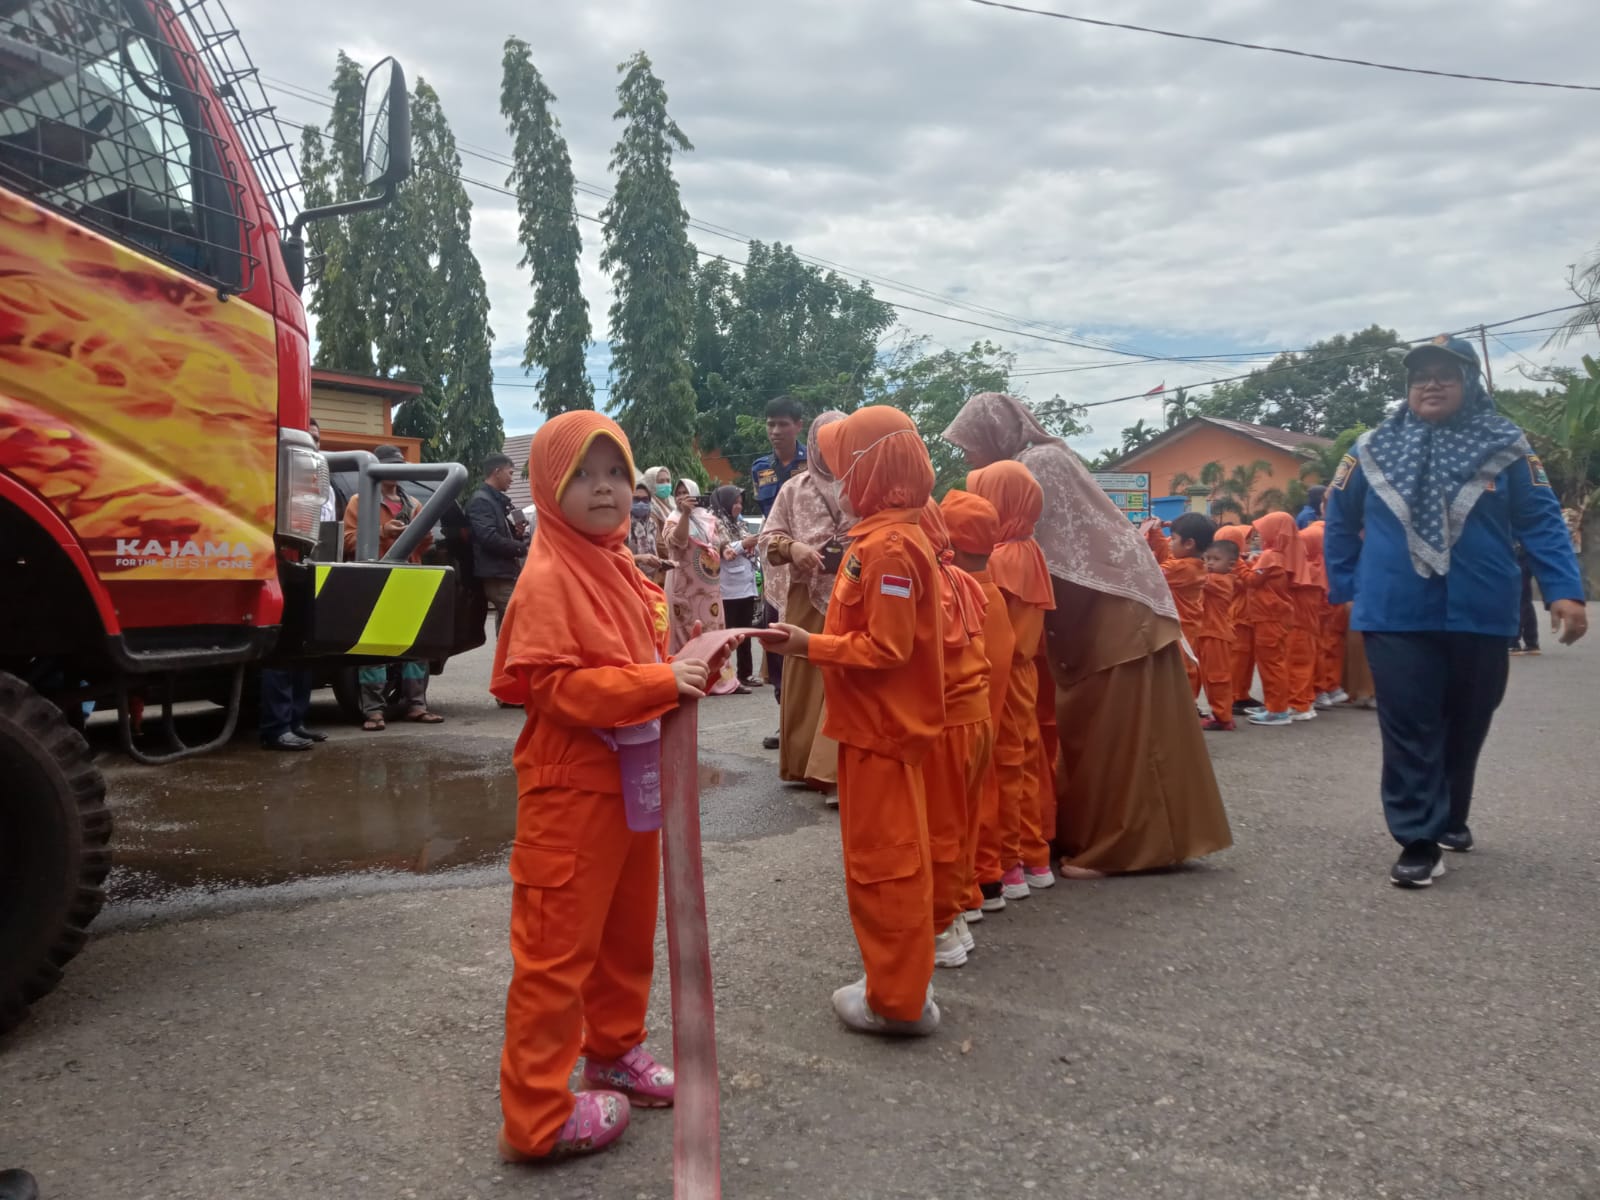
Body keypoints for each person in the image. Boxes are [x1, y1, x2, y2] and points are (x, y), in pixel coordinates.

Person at [491, 410, 715, 1163]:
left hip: (631, 785)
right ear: (549, 488)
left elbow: (644, 659)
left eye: (616, 473)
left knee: (625, 936)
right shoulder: (551, 574)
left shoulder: (620, 566)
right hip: (573, 794)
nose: (604, 489)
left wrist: (678, 674)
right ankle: (537, 1117)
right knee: (556, 954)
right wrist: (658, 681)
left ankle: (614, 1051)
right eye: (582, 474)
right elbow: (555, 688)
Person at [1325, 335, 1586, 888]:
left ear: (1471, 383)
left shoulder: (1507, 447)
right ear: (1408, 387)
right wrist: (1350, 587)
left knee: (1468, 721)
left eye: (1447, 373)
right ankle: (1418, 838)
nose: (1432, 383)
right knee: (1410, 724)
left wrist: (1564, 588)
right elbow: (1339, 520)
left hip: (1481, 608)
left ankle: (1450, 814)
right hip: (1396, 610)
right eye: (1421, 376)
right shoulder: (1370, 449)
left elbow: (1540, 520)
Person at [943, 392, 1230, 879]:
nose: (967, 455)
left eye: (969, 444)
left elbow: (1020, 542)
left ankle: (1122, 848)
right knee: (1103, 730)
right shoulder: (1024, 463)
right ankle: (1120, 836)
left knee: (1120, 736)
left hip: (1116, 607)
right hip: (1102, 605)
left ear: (994, 433)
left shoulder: (1038, 463)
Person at [763, 406, 944, 1036]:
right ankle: (901, 985)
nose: (839, 477)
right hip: (873, 727)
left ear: (872, 469)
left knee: (885, 865)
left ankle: (895, 1000)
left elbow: (886, 651)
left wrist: (807, 647)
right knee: (889, 859)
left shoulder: (890, 547)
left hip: (881, 731)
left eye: (847, 463)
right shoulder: (883, 535)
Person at [967, 460, 1057, 897]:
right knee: (1024, 759)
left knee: (1003, 765)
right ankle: (1035, 855)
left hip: (1003, 672)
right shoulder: (1028, 548)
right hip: (1025, 673)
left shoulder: (1001, 558)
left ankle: (1010, 863)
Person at [758, 411, 855, 792]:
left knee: (844, 675)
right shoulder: (794, 488)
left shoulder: (862, 485)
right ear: (813, 444)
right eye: (825, 441)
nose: (832, 449)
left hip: (854, 593)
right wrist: (792, 546)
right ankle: (802, 763)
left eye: (840, 441)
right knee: (803, 676)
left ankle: (834, 771)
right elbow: (768, 539)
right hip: (806, 593)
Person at [918, 498, 994, 969]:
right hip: (975, 717)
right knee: (962, 824)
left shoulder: (927, 583)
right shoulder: (958, 577)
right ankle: (960, 908)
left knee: (941, 829)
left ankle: (942, 926)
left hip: (946, 723)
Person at [940, 489, 1013, 924]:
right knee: (983, 785)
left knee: (963, 801)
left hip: (964, 720)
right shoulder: (994, 594)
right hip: (989, 718)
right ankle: (985, 878)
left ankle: (970, 888)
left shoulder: (963, 595)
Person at [343, 445, 440, 730]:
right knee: (374, 648)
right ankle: (373, 711)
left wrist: (423, 538)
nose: (396, 471)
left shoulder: (414, 503)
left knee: (415, 647)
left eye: (399, 465)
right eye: (391, 466)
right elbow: (348, 541)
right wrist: (383, 532)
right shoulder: (359, 502)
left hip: (409, 581)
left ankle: (417, 706)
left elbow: (425, 545)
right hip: (374, 583)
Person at [259, 419, 334, 751]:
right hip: (280, 570)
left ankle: (297, 722)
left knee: (304, 651)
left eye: (316, 439)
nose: (313, 446)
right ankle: (276, 728)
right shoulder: (277, 479)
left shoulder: (323, 484)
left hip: (311, 570)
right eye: (308, 439)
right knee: (281, 652)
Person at [751, 396, 808, 745]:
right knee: (774, 637)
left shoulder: (814, 462)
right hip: (774, 565)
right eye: (770, 424)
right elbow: (768, 520)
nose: (775, 431)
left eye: (783, 424)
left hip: (807, 564)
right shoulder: (761, 468)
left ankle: (808, 721)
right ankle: (784, 718)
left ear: (799, 425)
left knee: (804, 637)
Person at [1140, 512, 1214, 704]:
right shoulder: (1190, 563)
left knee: (1179, 673)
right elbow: (1168, 556)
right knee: (1181, 670)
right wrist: (1156, 532)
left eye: (1173, 539)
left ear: (1189, 543)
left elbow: (1150, 572)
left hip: (1180, 631)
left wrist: (1137, 541)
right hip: (1184, 628)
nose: (1170, 542)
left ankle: (1182, 712)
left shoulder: (1183, 568)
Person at [1241, 511, 1302, 727]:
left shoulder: (1270, 556)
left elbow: (1251, 581)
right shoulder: (1280, 555)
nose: (1258, 536)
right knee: (1276, 663)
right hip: (1276, 616)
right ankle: (1275, 705)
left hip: (1269, 617)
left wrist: (1238, 563)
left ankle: (1277, 710)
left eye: (1262, 531)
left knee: (1271, 665)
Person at [468, 451, 531, 637]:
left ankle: (504, 663)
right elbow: (488, 538)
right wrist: (521, 548)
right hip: (496, 576)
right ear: (497, 472)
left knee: (508, 625)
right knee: (522, 618)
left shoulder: (494, 501)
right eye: (510, 473)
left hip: (502, 573)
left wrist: (517, 535)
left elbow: (497, 536)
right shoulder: (481, 501)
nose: (512, 479)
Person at [711, 485, 761, 689]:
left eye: (741, 502)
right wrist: (743, 544)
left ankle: (746, 674)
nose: (739, 506)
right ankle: (725, 678)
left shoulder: (739, 524)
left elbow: (750, 546)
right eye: (735, 502)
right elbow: (719, 549)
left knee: (745, 635)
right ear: (725, 503)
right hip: (728, 590)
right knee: (727, 637)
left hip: (746, 587)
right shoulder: (714, 524)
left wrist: (751, 546)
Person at [1213, 523, 1259, 713]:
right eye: (1245, 540)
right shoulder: (1227, 564)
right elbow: (1245, 583)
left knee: (1247, 660)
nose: (1248, 544)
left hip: (1245, 615)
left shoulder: (1234, 561)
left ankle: (1242, 694)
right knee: (1238, 659)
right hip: (1238, 616)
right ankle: (1234, 697)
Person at [1198, 538, 1238, 730]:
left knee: (1217, 678)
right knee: (1208, 677)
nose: (1210, 563)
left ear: (1231, 564)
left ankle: (1223, 717)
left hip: (1217, 635)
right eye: (1207, 558)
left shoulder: (1220, 580)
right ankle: (1219, 713)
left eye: (1216, 559)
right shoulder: (1215, 578)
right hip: (1208, 633)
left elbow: (1195, 575)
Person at [627, 478, 664, 586]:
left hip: (651, 582)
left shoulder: (652, 525)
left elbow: (654, 551)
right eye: (636, 499)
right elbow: (614, 557)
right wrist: (640, 559)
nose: (641, 503)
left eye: (645, 499)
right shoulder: (622, 525)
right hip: (629, 580)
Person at [1508, 542, 1540, 655]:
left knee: (1518, 598)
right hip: (1526, 550)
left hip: (1519, 550)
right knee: (1525, 597)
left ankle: (1513, 641)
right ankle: (1531, 642)